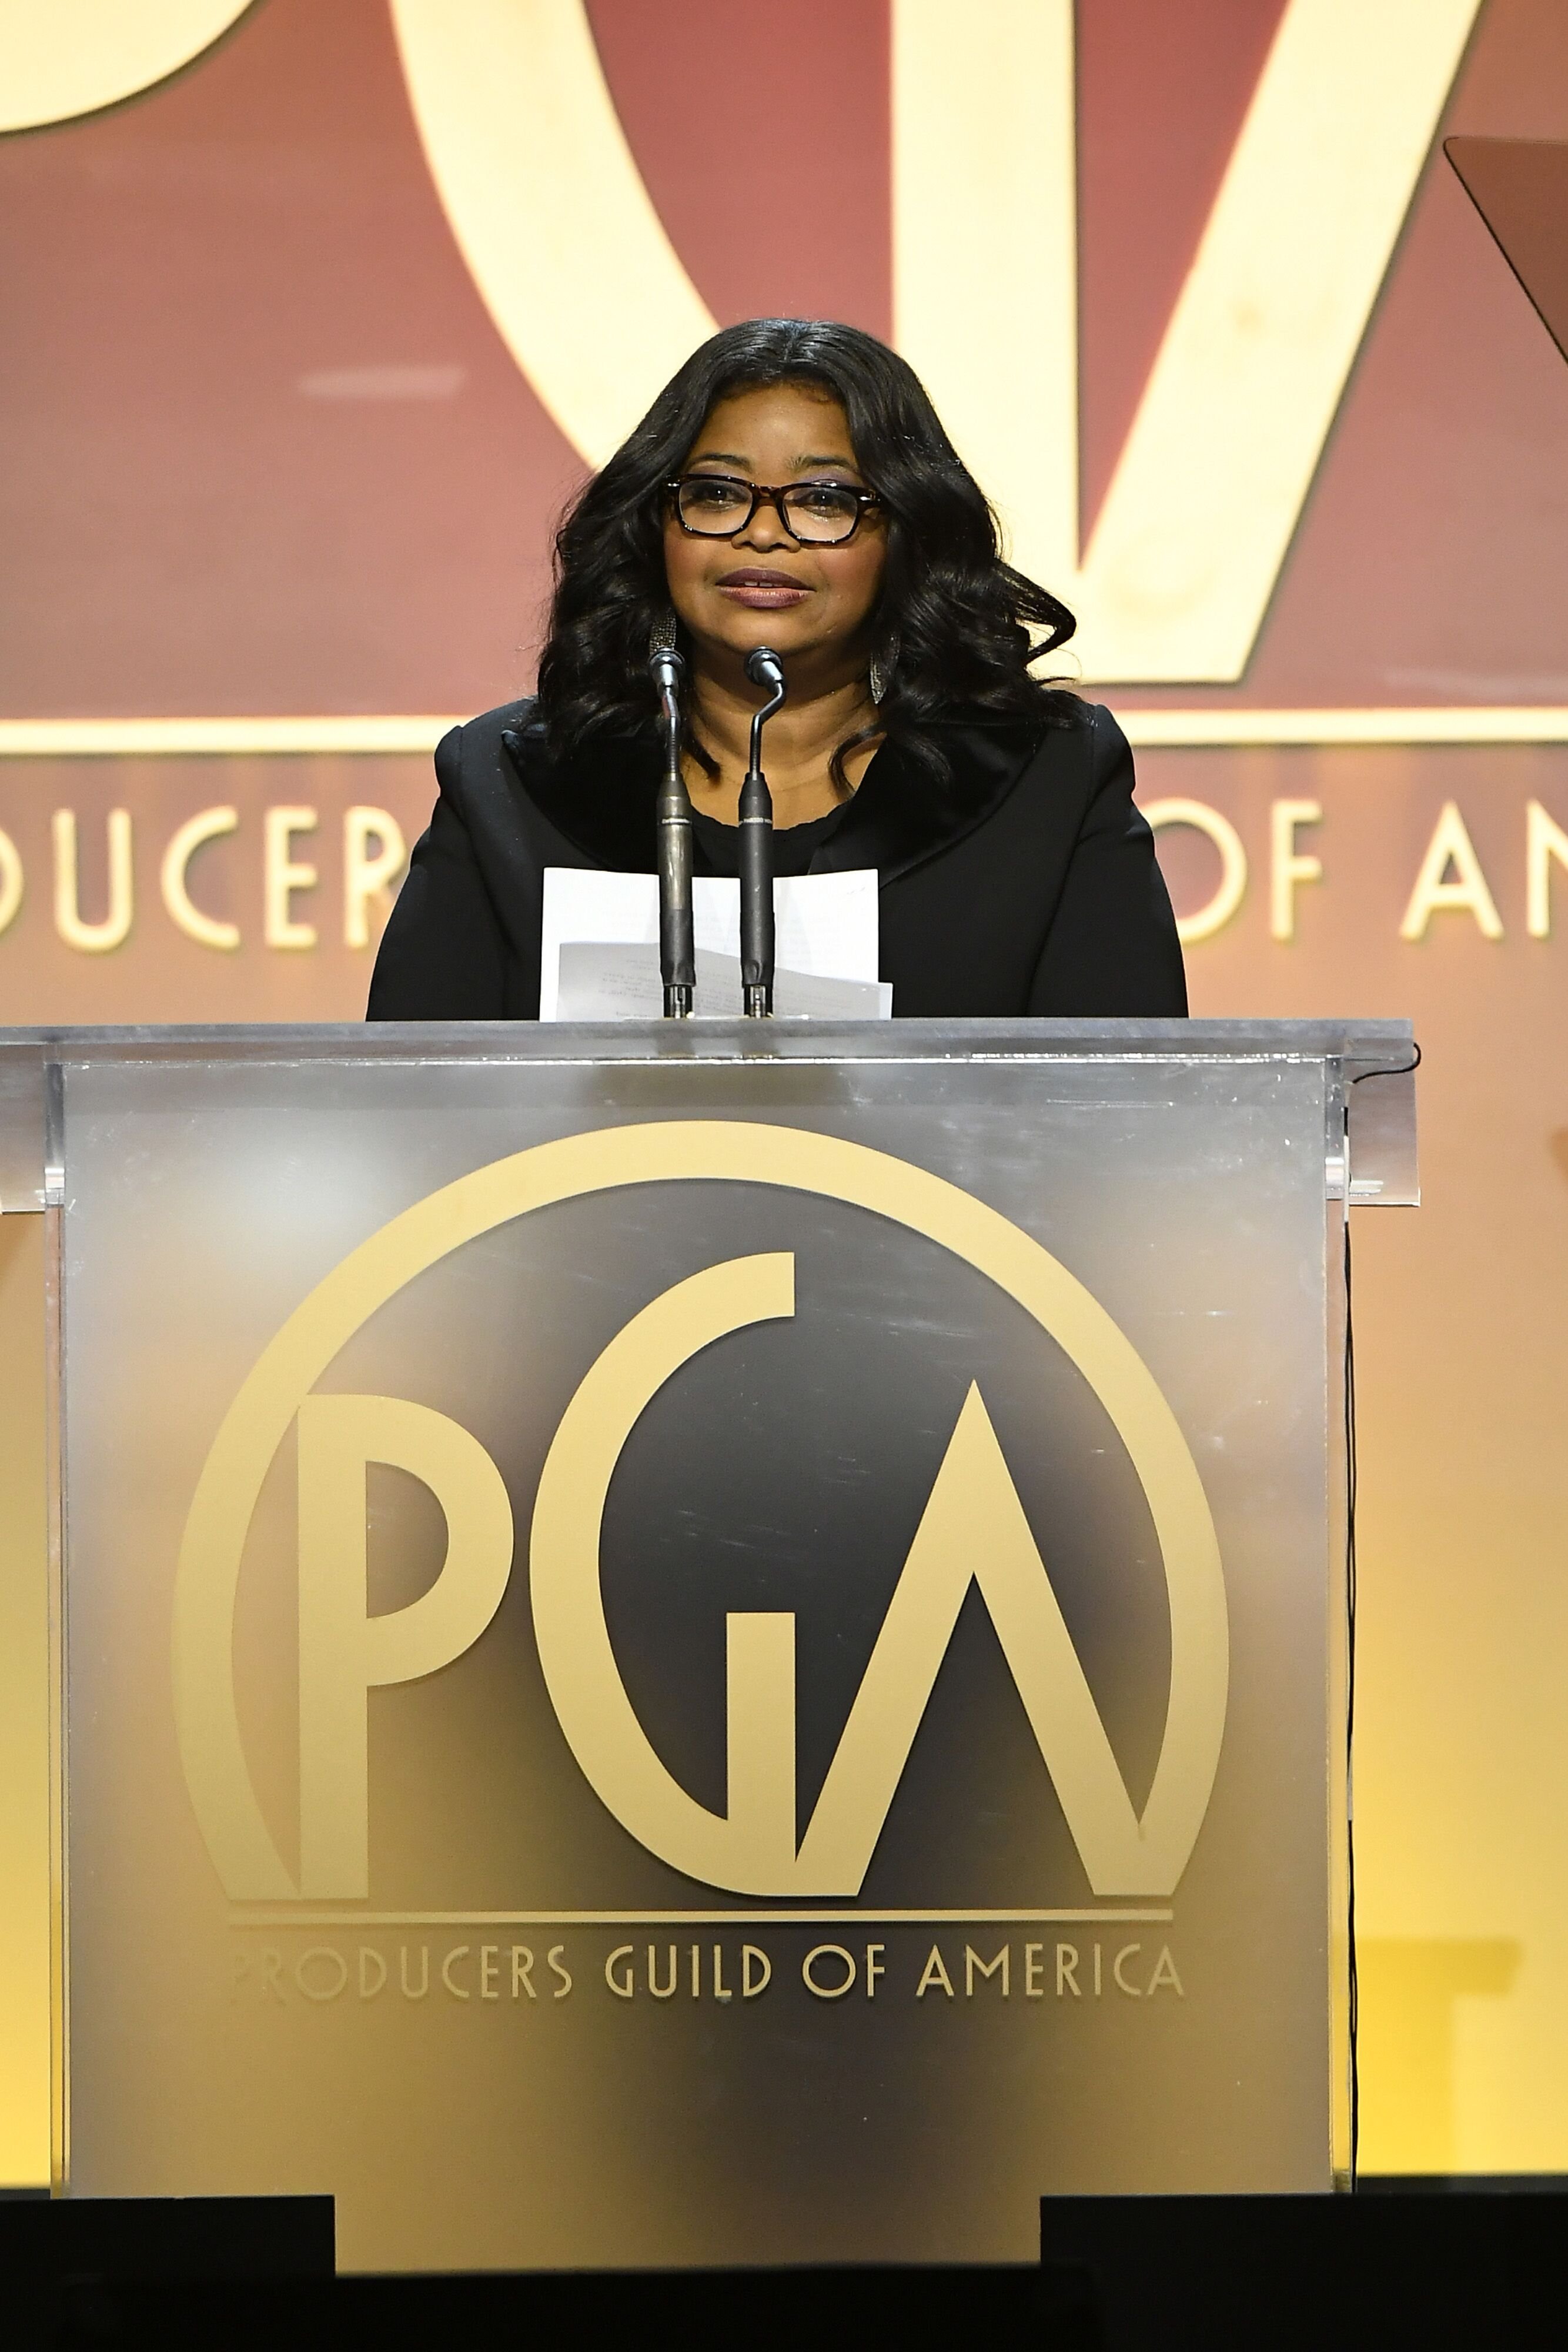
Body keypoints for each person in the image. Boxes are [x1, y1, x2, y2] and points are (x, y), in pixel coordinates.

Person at [367, 318, 1185, 1020]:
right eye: (719, 494)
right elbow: (410, 1112)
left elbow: (1130, 1117)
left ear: (905, 533)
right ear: (658, 524)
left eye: (825, 500)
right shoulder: (512, 780)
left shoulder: (1042, 777)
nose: (764, 534)